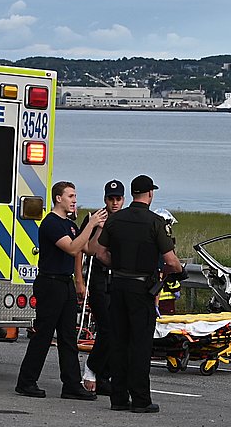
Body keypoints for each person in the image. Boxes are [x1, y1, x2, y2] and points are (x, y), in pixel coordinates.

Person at [96, 175, 183, 413]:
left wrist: (119, 266)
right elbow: (171, 261)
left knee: (119, 342)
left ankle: (118, 398)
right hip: (142, 289)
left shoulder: (116, 220)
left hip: (118, 286)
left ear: (132, 194)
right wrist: (178, 270)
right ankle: (141, 399)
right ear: (150, 194)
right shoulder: (155, 223)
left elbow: (100, 253)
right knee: (140, 344)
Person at [15, 181, 107, 400]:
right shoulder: (52, 223)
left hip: (65, 283)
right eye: (71, 196)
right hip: (50, 283)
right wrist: (90, 224)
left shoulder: (70, 225)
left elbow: (89, 249)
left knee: (68, 336)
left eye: (75, 196)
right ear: (59, 198)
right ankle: (26, 382)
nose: (74, 200)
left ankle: (71, 384)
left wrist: (97, 229)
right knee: (44, 335)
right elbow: (72, 248)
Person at [76, 179, 125, 395]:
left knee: (117, 330)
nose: (114, 203)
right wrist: (98, 228)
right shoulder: (93, 218)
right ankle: (92, 368)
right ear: (105, 199)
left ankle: (104, 375)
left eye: (118, 199)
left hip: (118, 280)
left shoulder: (125, 220)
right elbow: (85, 249)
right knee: (106, 328)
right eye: (111, 199)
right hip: (98, 279)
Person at [153, 209, 180, 315]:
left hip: (159, 297)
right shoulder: (163, 248)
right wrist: (176, 287)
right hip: (163, 300)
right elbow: (168, 270)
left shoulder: (151, 243)